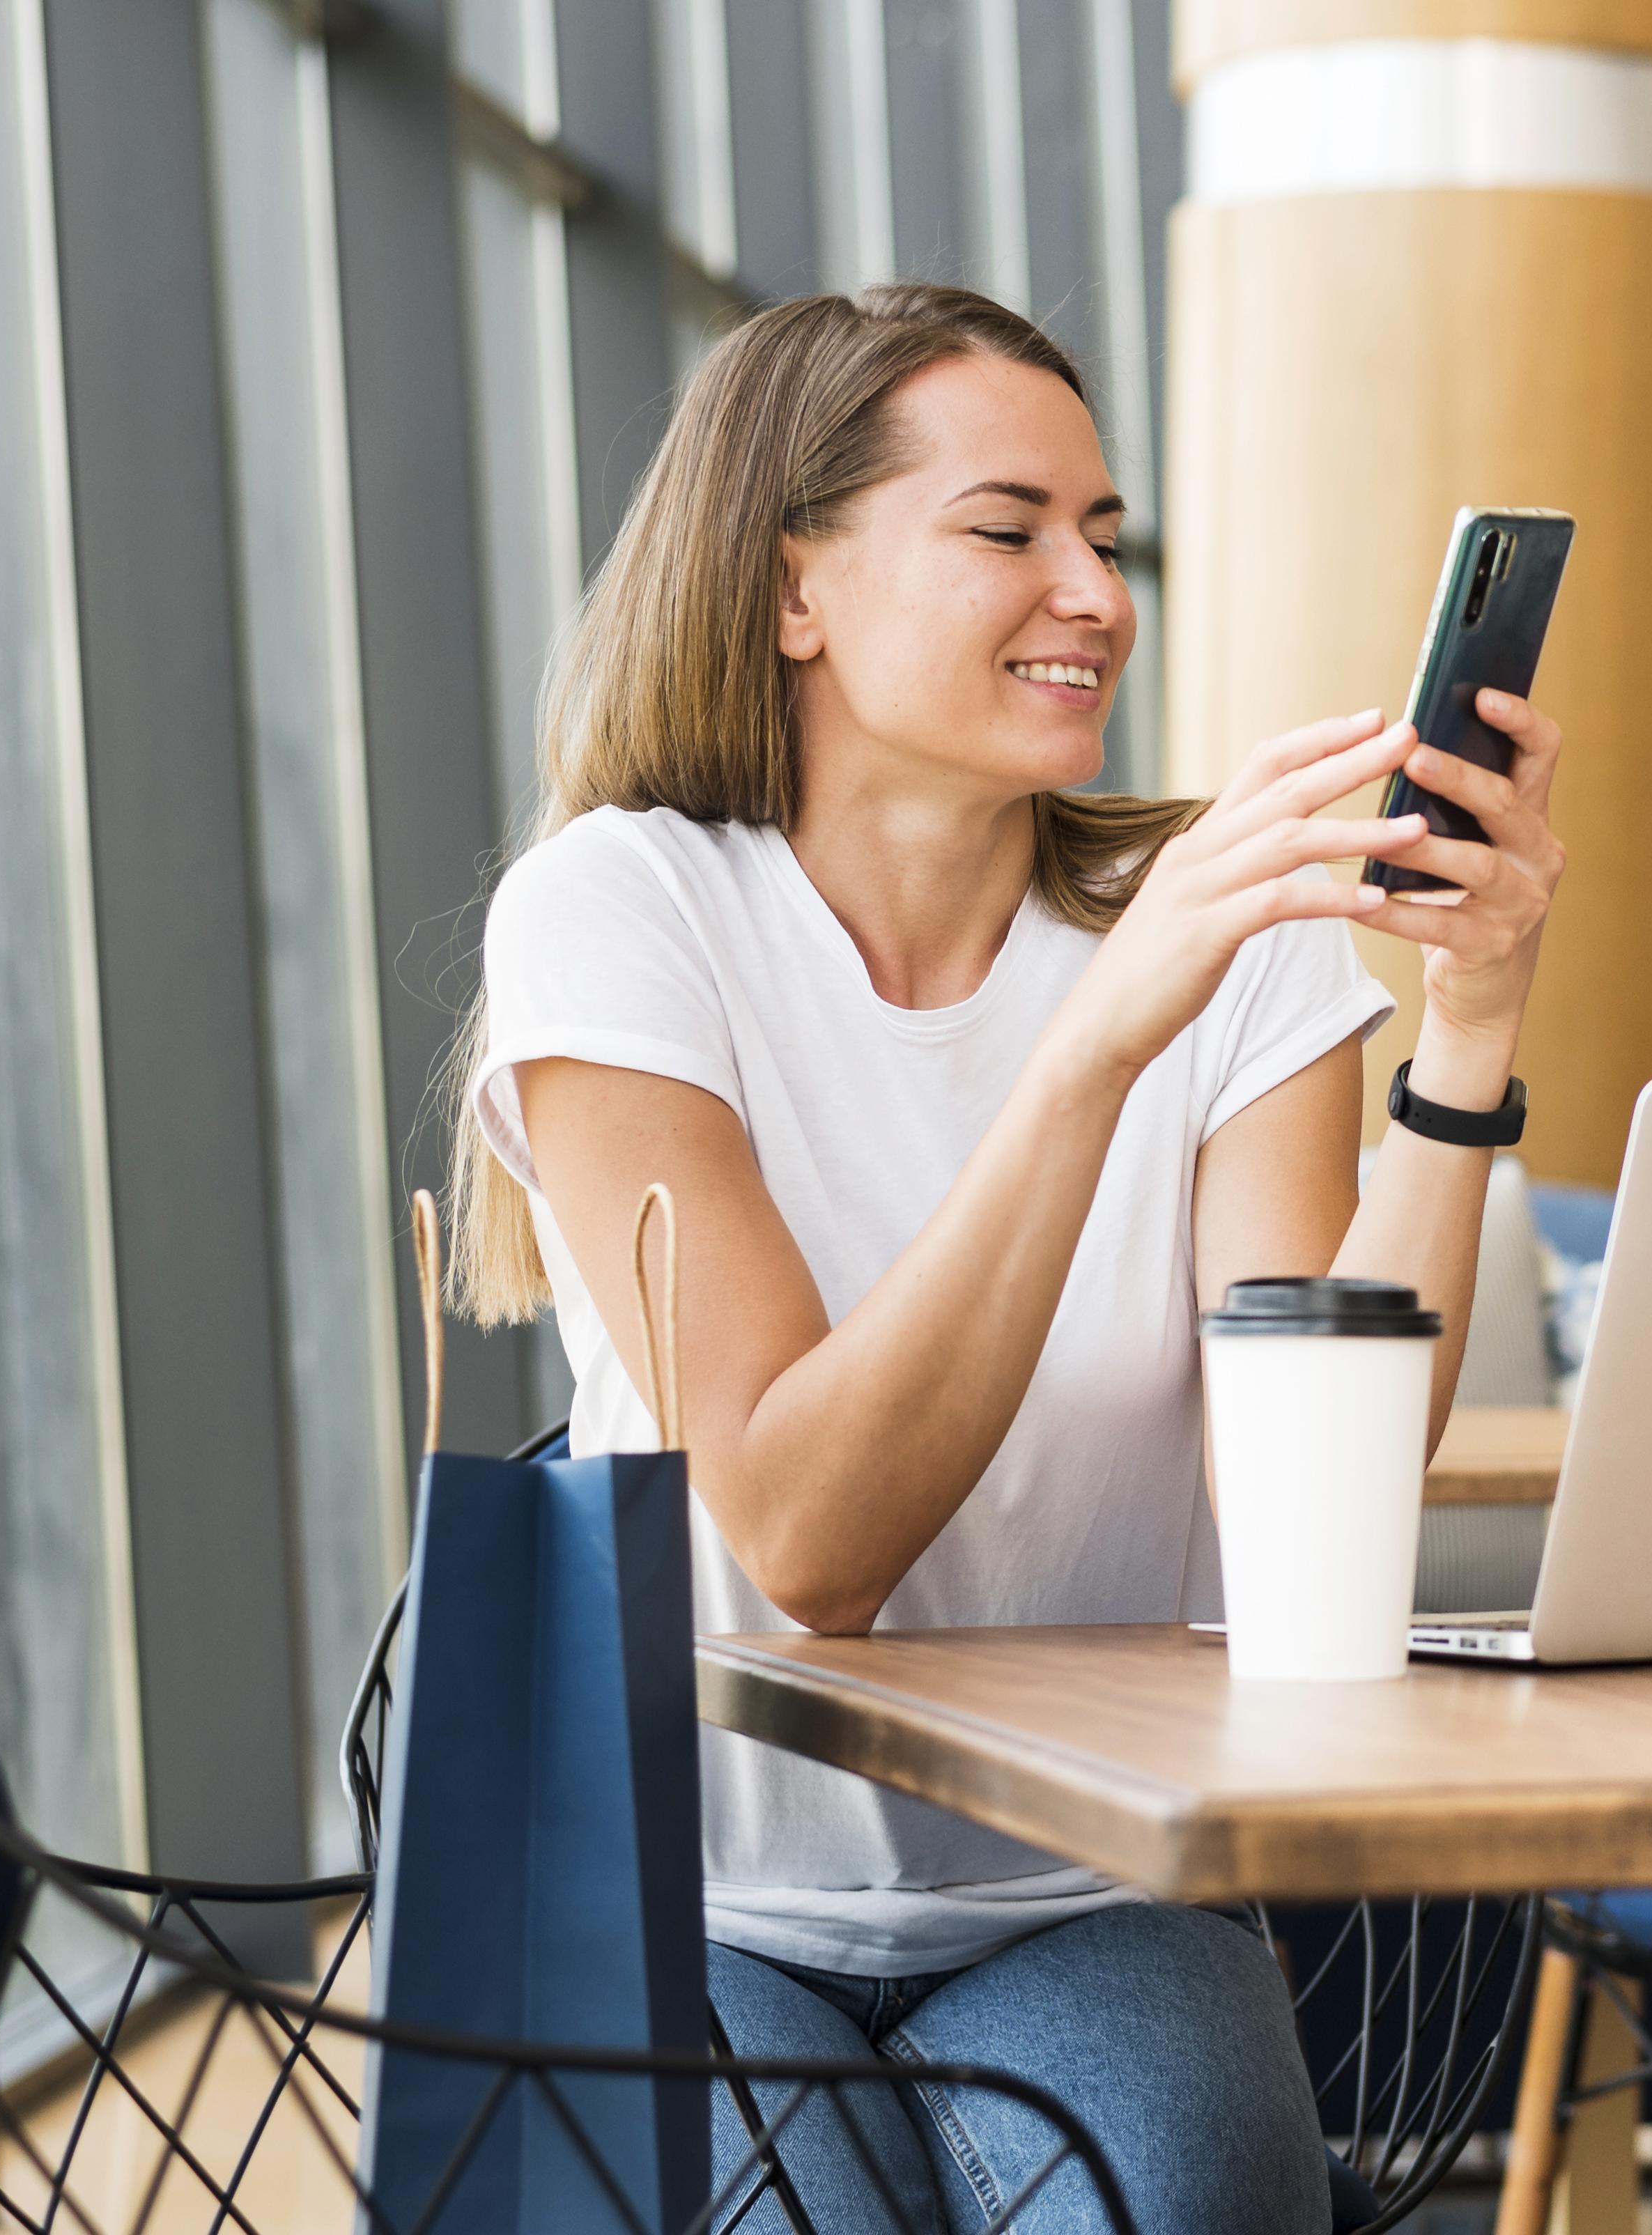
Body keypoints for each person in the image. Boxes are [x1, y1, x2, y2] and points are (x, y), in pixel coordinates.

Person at [447, 283, 1565, 2232]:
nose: (1096, 595)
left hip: (1088, 1885)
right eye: (1008, 528)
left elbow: (1320, 1493)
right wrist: (1092, 1047)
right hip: (695, 1900)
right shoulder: (621, 912)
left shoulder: (1223, 928)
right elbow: (813, 1542)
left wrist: (1470, 1033)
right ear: (792, 587)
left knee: (1193, 2199)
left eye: (1106, 536)